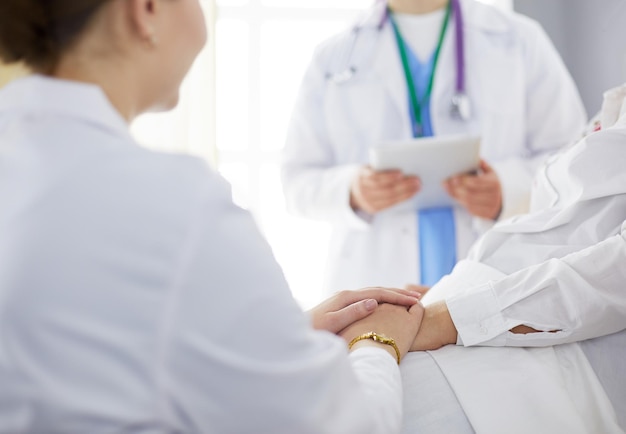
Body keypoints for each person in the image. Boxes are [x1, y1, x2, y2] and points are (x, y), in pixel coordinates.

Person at [0, 1, 426, 432]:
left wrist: (268, 339)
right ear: (145, 9)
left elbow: (80, 342)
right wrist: (376, 341)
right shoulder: (176, 205)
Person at [281, 0, 587, 299]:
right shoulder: (333, 57)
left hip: (494, 276)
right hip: (372, 277)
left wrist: (507, 189)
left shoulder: (519, 39)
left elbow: (575, 157)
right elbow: (296, 180)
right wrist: (352, 190)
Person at [392, 83, 626, 433]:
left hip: (549, 343)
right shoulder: (614, 102)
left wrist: (453, 317)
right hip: (493, 305)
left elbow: (612, 275)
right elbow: (561, 214)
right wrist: (466, 293)